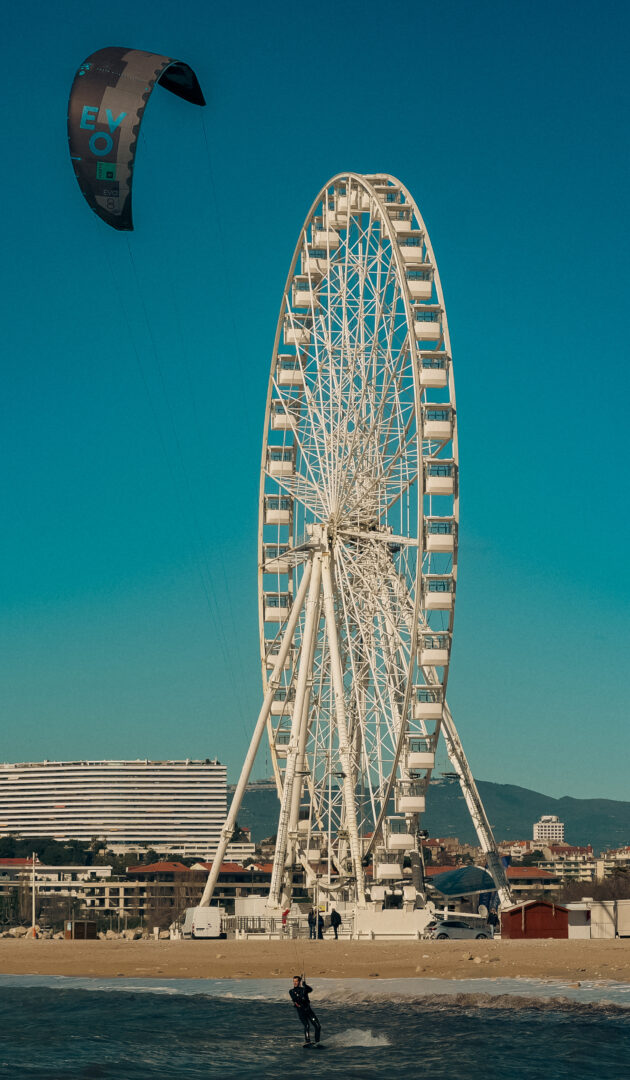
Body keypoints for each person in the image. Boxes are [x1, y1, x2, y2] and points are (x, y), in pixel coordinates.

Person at [289, 975, 321, 1046]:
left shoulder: (304, 989)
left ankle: (317, 1042)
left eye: (296, 981)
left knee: (318, 1026)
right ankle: (307, 1042)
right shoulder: (291, 991)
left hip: (308, 1011)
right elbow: (295, 999)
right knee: (307, 1026)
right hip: (301, 1012)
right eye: (293, 981)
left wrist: (305, 985)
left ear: (299, 982)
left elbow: (310, 990)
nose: (295, 983)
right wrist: (302, 996)